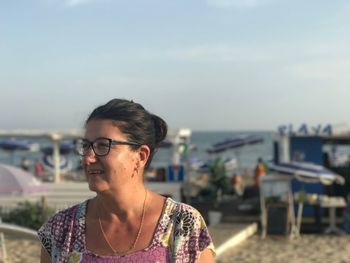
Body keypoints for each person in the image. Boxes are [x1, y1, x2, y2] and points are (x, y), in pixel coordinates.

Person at [38, 99, 215, 263]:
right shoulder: (60, 230)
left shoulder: (183, 225)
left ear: (140, 156)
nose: (87, 158)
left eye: (102, 145)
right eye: (86, 146)